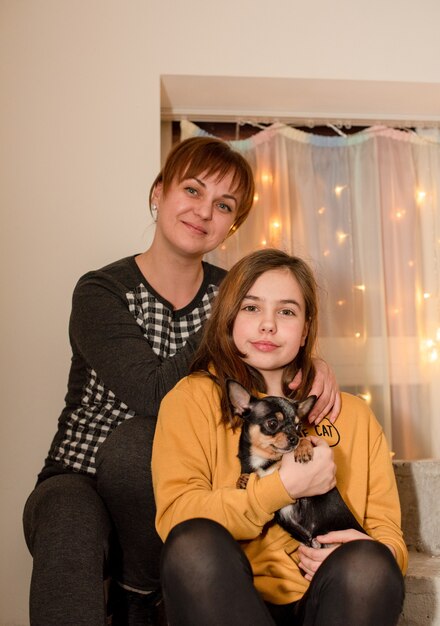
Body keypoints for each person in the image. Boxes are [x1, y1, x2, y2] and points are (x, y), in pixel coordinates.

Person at [22, 138, 340, 626]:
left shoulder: (236, 291)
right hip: (82, 474)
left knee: (154, 462)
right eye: (192, 190)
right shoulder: (102, 291)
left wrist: (311, 363)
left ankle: (145, 592)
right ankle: (136, 595)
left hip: (186, 480)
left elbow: (272, 365)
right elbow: (152, 393)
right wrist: (228, 317)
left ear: (232, 225)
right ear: (159, 192)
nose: (203, 211)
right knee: (92, 494)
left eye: (224, 205)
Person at [152, 248, 407, 626]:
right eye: (252, 308)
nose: (268, 325)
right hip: (226, 601)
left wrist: (371, 548)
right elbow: (176, 518)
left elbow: (391, 536)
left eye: (286, 311)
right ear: (229, 317)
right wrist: (283, 487)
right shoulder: (191, 399)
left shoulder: (353, 415)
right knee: (193, 544)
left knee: (371, 563)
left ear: (305, 329)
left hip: (329, 600)